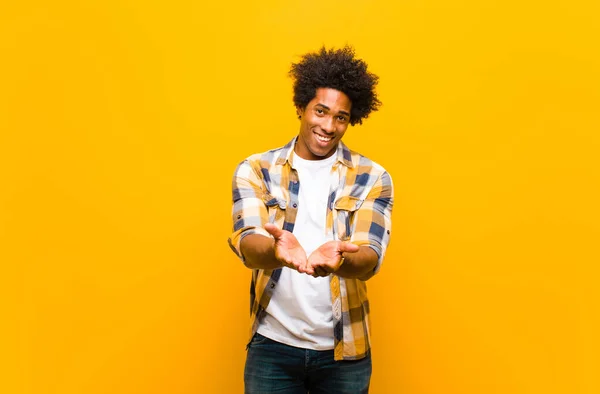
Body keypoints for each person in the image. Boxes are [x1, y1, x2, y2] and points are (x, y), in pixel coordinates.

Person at [228, 45, 393, 394]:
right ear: (301, 107)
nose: (328, 126)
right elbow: (248, 244)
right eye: (321, 111)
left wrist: (341, 259)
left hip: (345, 353)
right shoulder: (256, 170)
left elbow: (369, 258)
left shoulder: (373, 177)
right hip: (272, 346)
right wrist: (277, 253)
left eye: (341, 117)